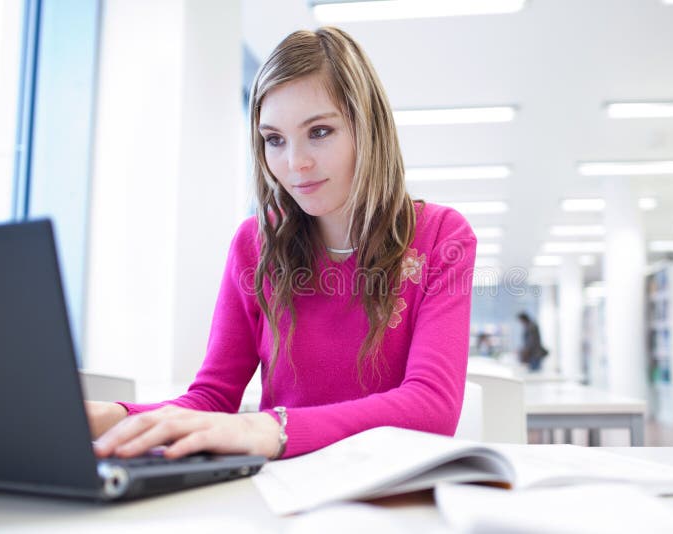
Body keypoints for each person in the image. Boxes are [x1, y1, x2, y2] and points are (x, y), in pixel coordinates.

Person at [86, 27, 477, 461]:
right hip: (284, 493)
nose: (295, 164)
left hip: (394, 488)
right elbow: (213, 398)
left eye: (320, 132)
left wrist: (274, 428)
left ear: (369, 129)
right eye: (274, 140)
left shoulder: (442, 235)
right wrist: (113, 416)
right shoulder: (255, 244)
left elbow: (432, 407)